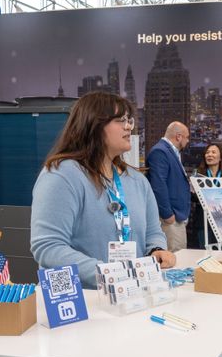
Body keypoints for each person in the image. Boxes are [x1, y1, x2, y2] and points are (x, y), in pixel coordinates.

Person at [31, 92, 175, 289]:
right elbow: (48, 248)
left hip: (131, 293)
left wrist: (156, 250)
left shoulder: (138, 180)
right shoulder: (62, 175)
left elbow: (153, 232)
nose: (128, 126)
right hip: (83, 298)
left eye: (129, 120)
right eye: (120, 120)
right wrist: (109, 274)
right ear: (94, 125)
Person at [146, 121, 192, 252]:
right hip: (170, 218)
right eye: (187, 137)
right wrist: (167, 215)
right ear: (178, 136)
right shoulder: (160, 152)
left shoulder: (171, 151)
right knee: (175, 255)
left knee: (179, 253)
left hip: (177, 216)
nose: (188, 140)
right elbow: (158, 185)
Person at [190, 143, 222, 248]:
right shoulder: (198, 176)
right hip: (203, 222)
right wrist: (193, 190)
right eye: (207, 152)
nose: (209, 155)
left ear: (220, 158)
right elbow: (192, 198)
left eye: (213, 152)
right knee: (205, 252)